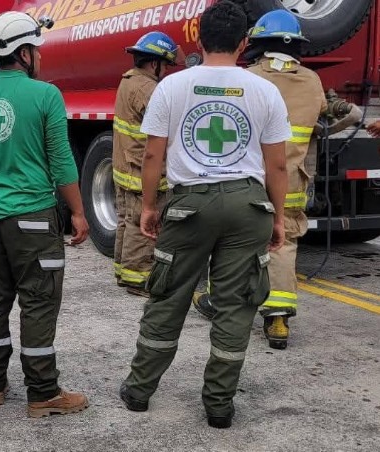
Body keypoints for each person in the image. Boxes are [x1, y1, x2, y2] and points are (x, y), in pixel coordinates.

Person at [119, 1, 289, 429]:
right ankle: (218, 406)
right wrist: (279, 218)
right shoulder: (265, 90)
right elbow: (279, 165)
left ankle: (139, 392)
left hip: (189, 205)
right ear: (244, 43)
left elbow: (154, 152)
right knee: (235, 307)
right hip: (248, 206)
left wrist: (150, 207)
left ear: (198, 38)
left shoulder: (173, 86)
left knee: (169, 297)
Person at [192, 9, 364, 350]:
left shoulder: (250, 77)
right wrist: (320, 130)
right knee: (283, 244)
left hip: (249, 178)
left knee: (233, 242)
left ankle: (216, 301)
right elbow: (354, 114)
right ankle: (278, 320)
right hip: (293, 183)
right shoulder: (312, 81)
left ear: (257, 42)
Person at [0, 11, 90, 418]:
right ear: (26, 53)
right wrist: (79, 212)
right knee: (38, 302)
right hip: (33, 218)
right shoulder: (45, 95)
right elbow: (62, 161)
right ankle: (43, 393)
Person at [112, 31, 180, 297]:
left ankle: (122, 270)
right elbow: (167, 125)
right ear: (154, 63)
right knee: (143, 226)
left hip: (125, 167)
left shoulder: (128, 81)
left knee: (126, 221)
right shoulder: (148, 89)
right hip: (140, 170)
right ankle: (137, 279)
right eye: (166, 66)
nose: (165, 72)